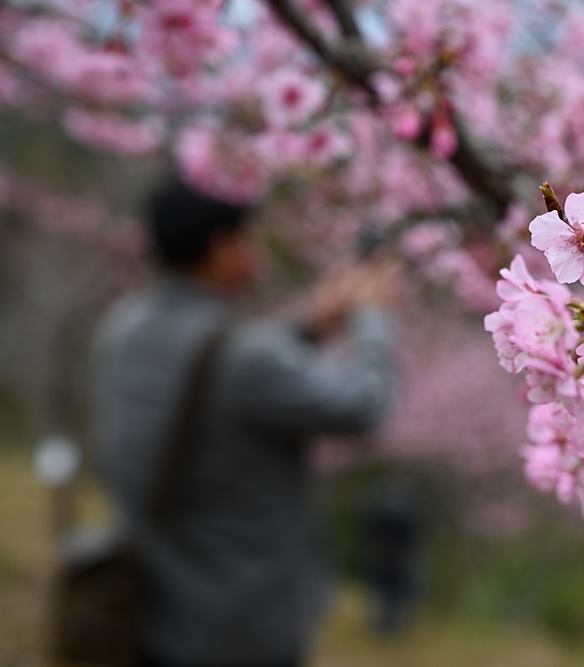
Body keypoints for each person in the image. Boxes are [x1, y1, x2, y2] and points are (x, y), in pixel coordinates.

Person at [92, 177, 397, 667]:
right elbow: (362, 407)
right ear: (220, 249)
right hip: (243, 624)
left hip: (153, 606)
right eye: (245, 239)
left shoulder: (124, 330)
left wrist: (309, 326)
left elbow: (215, 375)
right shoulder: (247, 357)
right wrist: (373, 320)